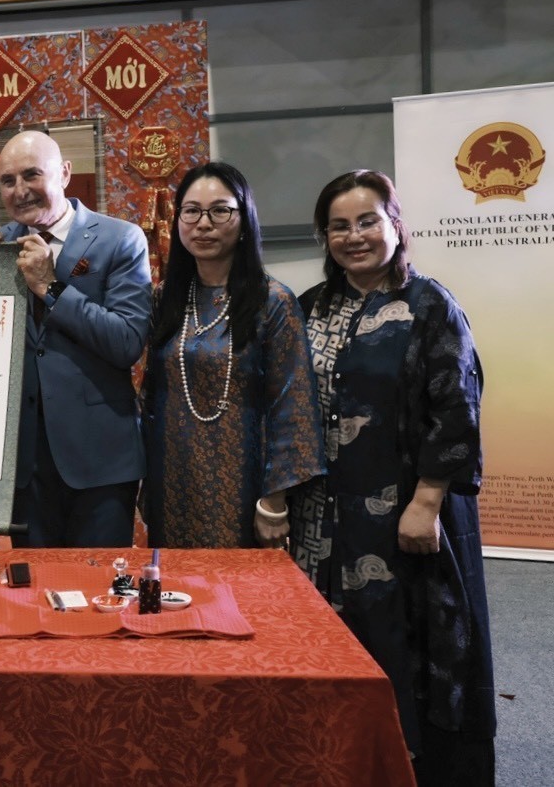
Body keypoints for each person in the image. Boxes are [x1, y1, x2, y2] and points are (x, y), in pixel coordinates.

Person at [295, 170, 494, 785]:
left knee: (407, 641)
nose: (354, 236)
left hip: (405, 511)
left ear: (396, 225)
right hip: (324, 517)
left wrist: (427, 502)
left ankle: (408, 767)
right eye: (338, 226)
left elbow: (457, 409)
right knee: (334, 638)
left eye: (367, 221)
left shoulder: (430, 306)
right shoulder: (311, 306)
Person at [0, 130, 151, 547]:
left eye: (31, 175)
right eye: (8, 181)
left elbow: (126, 341)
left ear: (65, 173)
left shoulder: (120, 239)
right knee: (34, 584)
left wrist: (50, 288)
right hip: (23, 466)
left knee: (98, 582)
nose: (20, 191)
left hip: (100, 460)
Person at [142, 162, 324, 548]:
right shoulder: (165, 297)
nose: (203, 224)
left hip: (245, 484)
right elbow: (152, 396)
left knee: (237, 583)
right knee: (175, 580)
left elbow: (293, 407)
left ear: (244, 221)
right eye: (192, 211)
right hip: (173, 479)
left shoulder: (272, 301)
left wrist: (274, 501)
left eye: (220, 211)